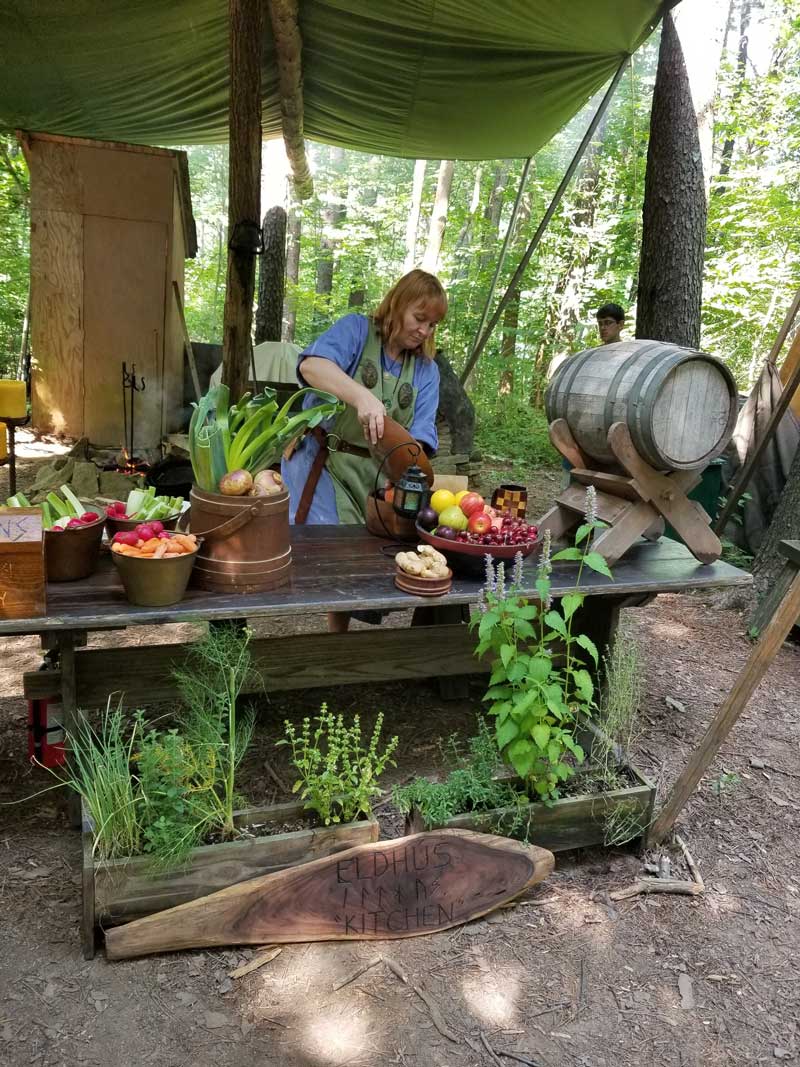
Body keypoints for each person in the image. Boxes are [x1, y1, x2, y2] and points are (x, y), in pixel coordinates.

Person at [281, 269, 447, 631]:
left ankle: (339, 640)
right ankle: (326, 640)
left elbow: (418, 442)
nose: (424, 331)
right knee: (331, 552)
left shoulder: (425, 372)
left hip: (375, 477)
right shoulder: (356, 330)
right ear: (398, 304)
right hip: (324, 462)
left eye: (433, 324)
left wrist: (404, 471)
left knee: (364, 558)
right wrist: (361, 397)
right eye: (419, 318)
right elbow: (312, 365)